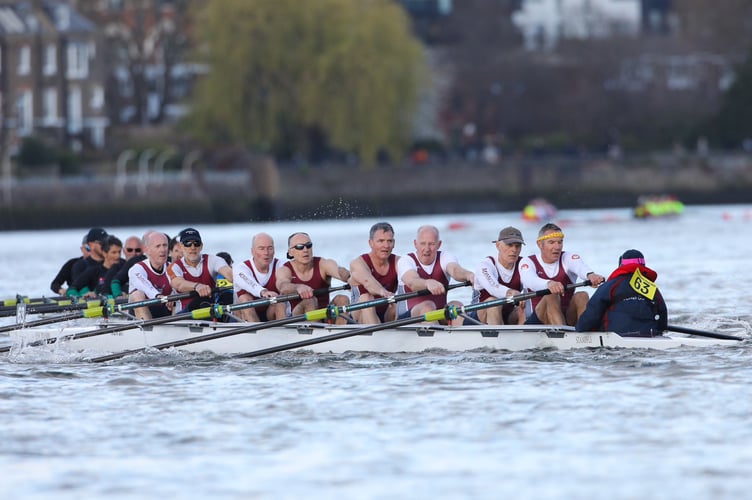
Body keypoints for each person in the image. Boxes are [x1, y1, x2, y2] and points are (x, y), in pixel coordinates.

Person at [519, 223, 604, 326]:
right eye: (551, 242)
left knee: (582, 295)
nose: (557, 247)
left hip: (567, 317)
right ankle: (562, 333)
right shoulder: (527, 262)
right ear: (540, 244)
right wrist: (549, 284)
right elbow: (529, 280)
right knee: (551, 295)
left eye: (560, 242)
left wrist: (590, 275)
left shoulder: (568, 257)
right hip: (538, 320)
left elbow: (580, 267)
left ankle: (586, 334)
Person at [576, 249, 668, 336]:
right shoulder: (652, 288)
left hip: (616, 336)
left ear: (621, 265)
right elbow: (663, 315)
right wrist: (659, 331)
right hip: (648, 334)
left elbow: (592, 313)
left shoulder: (611, 286)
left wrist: (579, 329)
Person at [396, 225, 475, 325]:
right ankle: (438, 338)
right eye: (423, 243)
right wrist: (427, 283)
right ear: (415, 244)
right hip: (408, 318)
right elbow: (412, 282)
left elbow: (455, 270)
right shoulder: (406, 260)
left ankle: (466, 337)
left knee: (456, 306)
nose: (427, 248)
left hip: (436, 315)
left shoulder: (445, 257)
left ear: (439, 244)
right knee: (428, 306)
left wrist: (469, 275)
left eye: (432, 244)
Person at [275, 232, 351, 324]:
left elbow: (339, 271)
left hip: (325, 315)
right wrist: (298, 287)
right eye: (300, 247)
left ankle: (340, 334)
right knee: (310, 300)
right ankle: (317, 332)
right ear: (290, 252)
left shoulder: (323, 264)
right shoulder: (285, 269)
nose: (305, 250)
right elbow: (283, 286)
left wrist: (349, 277)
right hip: (299, 317)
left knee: (343, 299)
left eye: (308, 245)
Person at [167, 228, 234, 313]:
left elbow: (229, 274)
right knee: (201, 300)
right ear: (181, 246)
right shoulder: (174, 267)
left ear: (201, 246)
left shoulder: (213, 260)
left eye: (196, 243)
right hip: (184, 317)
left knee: (228, 296)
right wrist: (197, 286)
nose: (193, 247)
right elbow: (179, 284)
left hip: (210, 311)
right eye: (188, 243)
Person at [470, 226, 526, 325]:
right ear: (498, 245)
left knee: (523, 307)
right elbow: (493, 288)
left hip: (507, 315)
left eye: (518, 246)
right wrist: (510, 292)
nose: (514, 250)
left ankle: (524, 337)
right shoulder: (485, 265)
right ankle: (497, 339)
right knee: (493, 302)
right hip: (478, 318)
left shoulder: (524, 264)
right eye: (510, 245)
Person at [349, 222, 400, 324]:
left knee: (398, 303)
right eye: (381, 241)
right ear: (371, 243)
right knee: (366, 298)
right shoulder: (358, 263)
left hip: (386, 315)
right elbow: (368, 282)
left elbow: (410, 278)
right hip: (359, 317)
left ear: (394, 243)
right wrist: (383, 292)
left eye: (389, 241)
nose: (386, 246)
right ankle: (378, 336)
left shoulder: (399, 262)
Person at [233, 232, 285, 322]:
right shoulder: (241, 268)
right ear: (252, 251)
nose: (266, 253)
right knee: (245, 299)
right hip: (245, 317)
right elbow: (249, 284)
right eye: (261, 248)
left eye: (270, 248)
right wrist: (262, 292)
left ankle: (284, 331)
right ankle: (257, 332)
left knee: (278, 299)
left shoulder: (281, 265)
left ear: (274, 251)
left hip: (270, 314)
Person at [128, 231, 174, 319]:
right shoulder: (137, 269)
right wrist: (157, 296)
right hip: (139, 316)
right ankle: (147, 327)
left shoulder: (173, 268)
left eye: (165, 245)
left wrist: (174, 294)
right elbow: (145, 286)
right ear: (147, 250)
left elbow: (178, 286)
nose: (163, 250)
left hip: (165, 311)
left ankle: (177, 327)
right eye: (158, 246)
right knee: (137, 294)